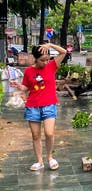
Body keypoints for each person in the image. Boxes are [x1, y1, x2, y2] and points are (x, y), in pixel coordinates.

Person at [10, 42, 67, 171]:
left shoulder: (52, 65)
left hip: (49, 104)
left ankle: (50, 158)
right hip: (33, 106)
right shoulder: (29, 71)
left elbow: (63, 52)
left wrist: (50, 45)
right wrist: (18, 86)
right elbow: (25, 87)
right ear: (35, 58)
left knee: (49, 133)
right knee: (35, 135)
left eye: (47, 59)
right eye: (42, 60)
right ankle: (39, 161)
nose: (46, 62)